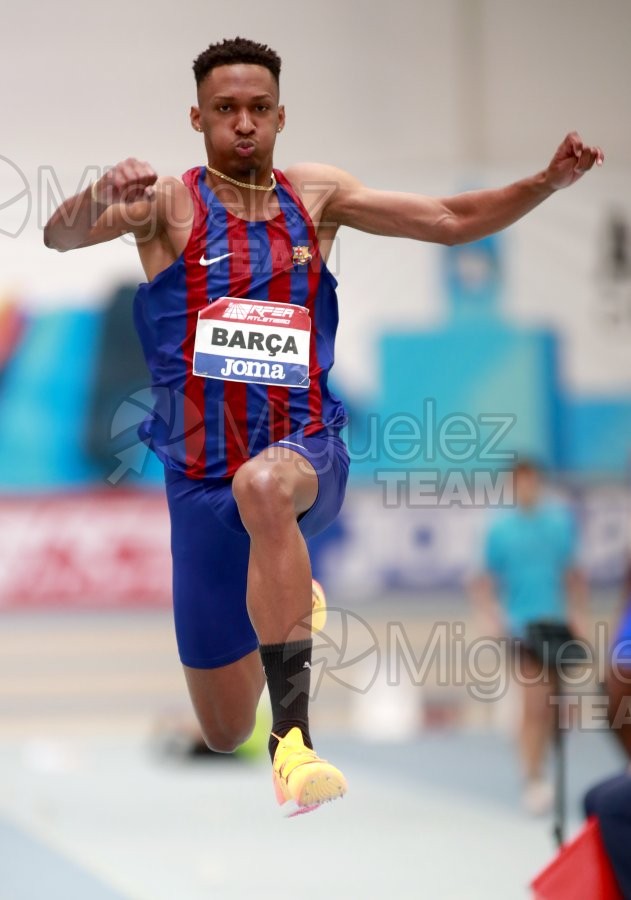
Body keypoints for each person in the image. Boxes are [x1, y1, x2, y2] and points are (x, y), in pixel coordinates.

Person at [43, 37, 603, 815]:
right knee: (218, 725)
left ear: (280, 116)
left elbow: (445, 217)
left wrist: (543, 182)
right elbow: (59, 237)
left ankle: (293, 743)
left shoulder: (315, 199)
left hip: (304, 456)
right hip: (197, 485)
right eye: (227, 109)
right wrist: (101, 195)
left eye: (259, 109)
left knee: (264, 484)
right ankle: (280, 604)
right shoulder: (169, 206)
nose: (244, 123)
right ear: (198, 116)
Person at [473, 460, 589, 815]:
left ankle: (546, 767)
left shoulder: (558, 524)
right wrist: (491, 615)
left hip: (555, 623)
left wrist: (579, 615)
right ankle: (532, 777)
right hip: (522, 627)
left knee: (556, 707)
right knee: (533, 703)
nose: (526, 488)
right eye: (519, 483)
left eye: (531, 482)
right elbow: (483, 580)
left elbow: (572, 574)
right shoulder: (501, 530)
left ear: (538, 483)